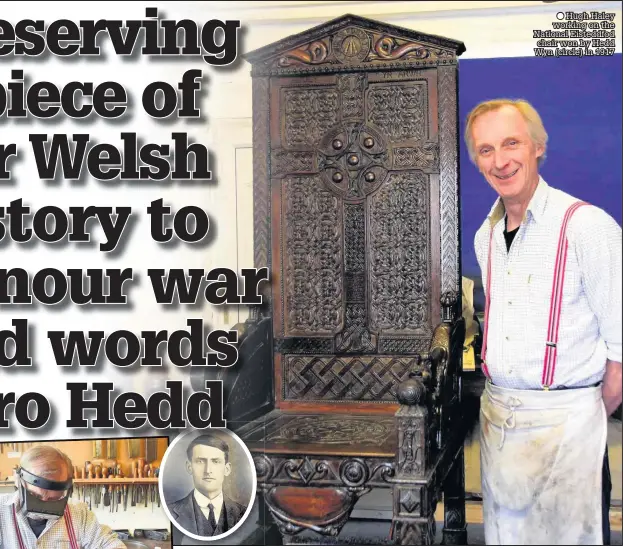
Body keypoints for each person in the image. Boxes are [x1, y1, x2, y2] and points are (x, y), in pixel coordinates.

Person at [466, 98, 622, 545]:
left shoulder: (588, 227)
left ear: (538, 147)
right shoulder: (487, 236)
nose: (500, 160)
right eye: (486, 149)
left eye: (511, 143)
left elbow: (620, 348)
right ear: (478, 161)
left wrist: (579, 412)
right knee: (506, 535)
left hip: (568, 424)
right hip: (500, 419)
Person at [0, 445, 124, 549]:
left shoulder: (80, 514)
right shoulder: (1, 511)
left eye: (53, 499)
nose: (42, 505)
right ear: (19, 481)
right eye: (35, 496)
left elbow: (111, 544)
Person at [168, 434, 247, 538]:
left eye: (216, 462)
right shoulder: (170, 513)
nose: (208, 470)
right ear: (189, 467)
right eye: (200, 461)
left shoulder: (244, 514)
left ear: (227, 469)